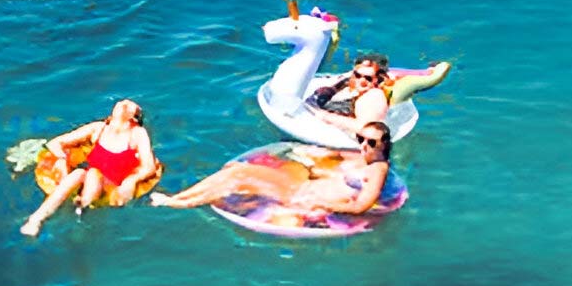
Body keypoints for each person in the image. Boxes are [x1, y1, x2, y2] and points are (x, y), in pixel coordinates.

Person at [152, 122, 394, 217]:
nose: (364, 145)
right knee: (237, 168)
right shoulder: (358, 156)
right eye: (361, 138)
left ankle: (177, 204)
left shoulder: (378, 169)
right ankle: (179, 196)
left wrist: (324, 205)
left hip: (302, 198)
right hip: (301, 186)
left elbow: (360, 205)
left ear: (384, 145)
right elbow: (325, 161)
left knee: (236, 181)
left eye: (371, 142)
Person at [23, 99, 162, 235]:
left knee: (93, 173)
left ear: (134, 119)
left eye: (129, 106)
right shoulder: (99, 128)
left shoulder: (137, 134)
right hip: (88, 180)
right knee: (79, 173)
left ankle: (81, 212)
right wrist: (61, 158)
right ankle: (36, 219)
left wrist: (131, 180)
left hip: (109, 184)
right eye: (121, 103)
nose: (124, 104)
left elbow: (149, 166)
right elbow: (56, 142)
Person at [308, 51, 452, 128]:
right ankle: (426, 70)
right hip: (320, 117)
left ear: (378, 80)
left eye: (368, 78)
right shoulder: (348, 81)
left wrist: (324, 116)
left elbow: (366, 128)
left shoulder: (374, 97)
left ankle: (434, 69)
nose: (361, 81)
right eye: (358, 75)